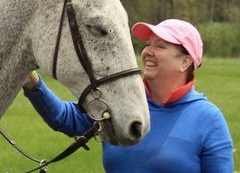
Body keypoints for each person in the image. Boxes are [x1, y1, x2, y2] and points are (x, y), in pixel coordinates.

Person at [23, 19, 234, 173]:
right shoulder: (120, 103)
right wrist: (32, 83)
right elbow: (65, 118)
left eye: (160, 46)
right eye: (148, 44)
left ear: (185, 62)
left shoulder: (209, 120)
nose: (148, 51)